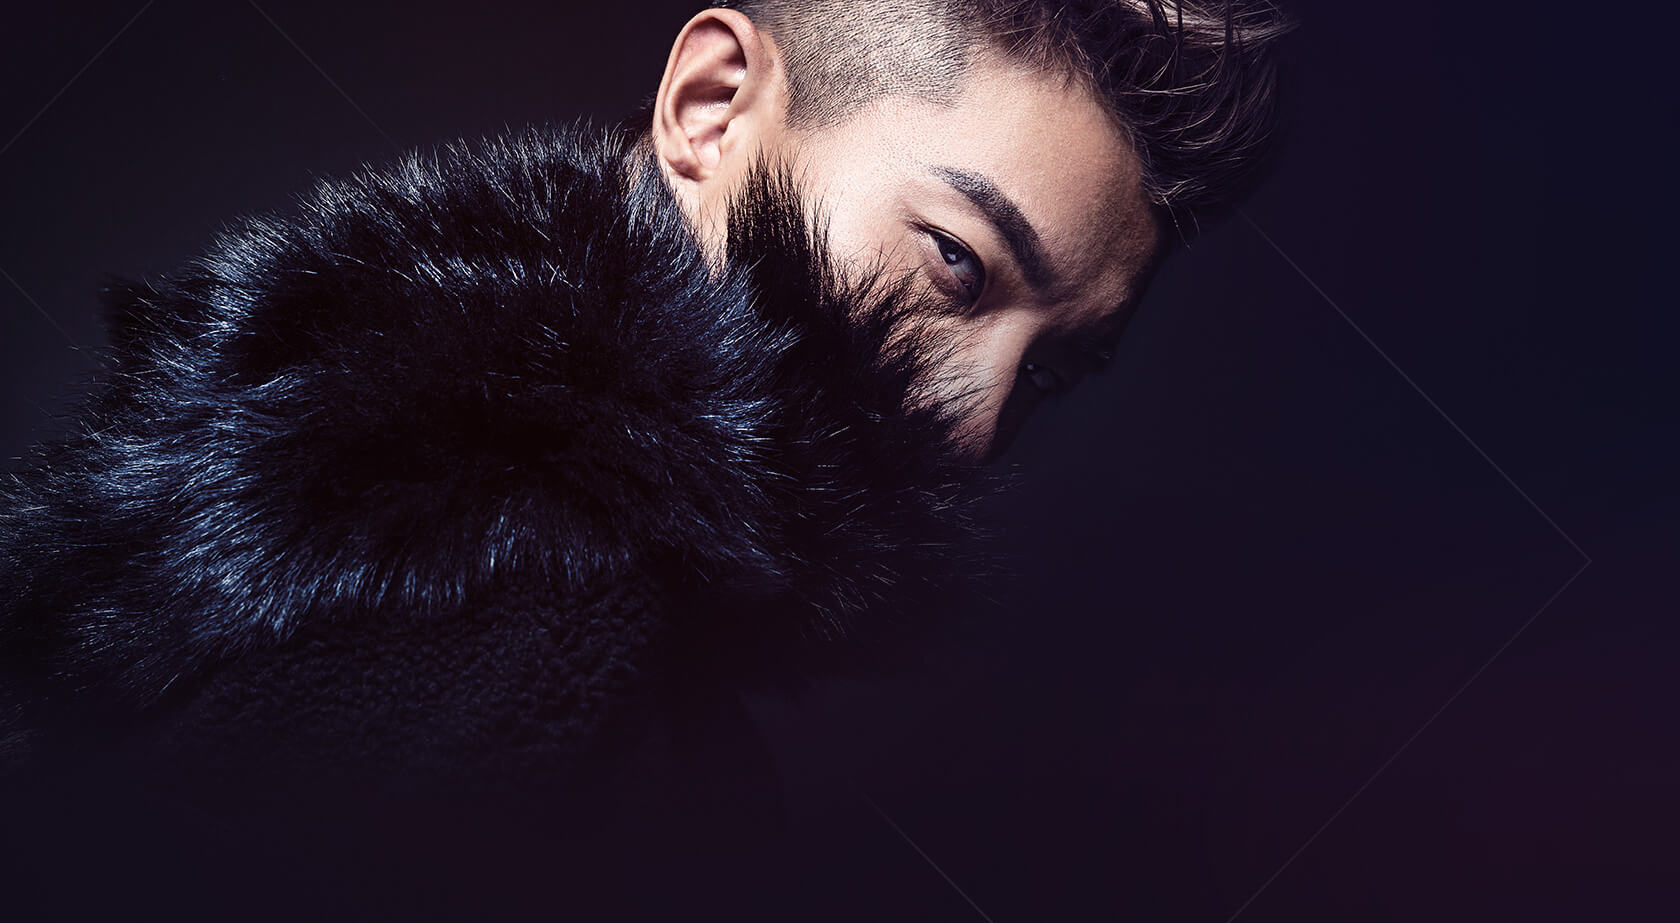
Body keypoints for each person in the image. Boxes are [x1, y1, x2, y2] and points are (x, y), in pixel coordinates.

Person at [0, 0, 1288, 912]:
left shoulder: (358, 474)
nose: (978, 420)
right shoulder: (518, 617)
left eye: (1052, 370)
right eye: (958, 262)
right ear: (711, 107)